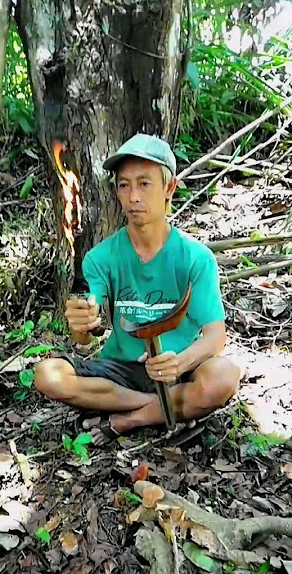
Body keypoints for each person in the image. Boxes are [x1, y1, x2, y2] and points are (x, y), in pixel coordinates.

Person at [35, 133, 241, 443]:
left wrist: (179, 364)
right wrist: (80, 322)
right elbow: (84, 332)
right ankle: (160, 409)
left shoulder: (195, 258)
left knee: (224, 376)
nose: (133, 197)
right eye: (124, 185)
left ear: (169, 188)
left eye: (144, 184)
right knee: (47, 375)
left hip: (175, 368)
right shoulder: (101, 258)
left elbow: (215, 336)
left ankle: (128, 421)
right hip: (121, 373)